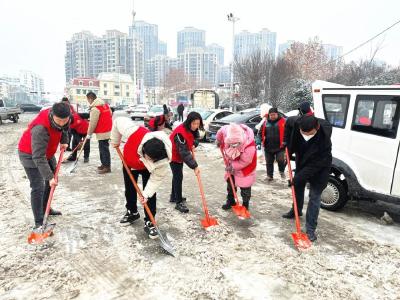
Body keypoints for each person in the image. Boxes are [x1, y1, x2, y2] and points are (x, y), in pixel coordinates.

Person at [111, 117, 172, 239]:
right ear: (143, 148)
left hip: (147, 170)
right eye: (147, 157)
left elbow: (155, 180)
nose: (147, 160)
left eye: (151, 159)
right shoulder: (134, 131)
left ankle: (150, 221)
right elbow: (118, 121)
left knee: (150, 195)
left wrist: (146, 194)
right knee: (130, 189)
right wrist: (115, 141)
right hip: (128, 163)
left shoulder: (163, 162)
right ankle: (132, 212)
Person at [18, 103, 71, 231]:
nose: (62, 123)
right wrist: (49, 176)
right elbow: (38, 157)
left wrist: (64, 140)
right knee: (38, 187)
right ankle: (39, 221)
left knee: (50, 183)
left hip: (47, 153)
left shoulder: (64, 118)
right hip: (30, 155)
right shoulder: (40, 129)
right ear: (52, 116)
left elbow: (64, 128)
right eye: (59, 121)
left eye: (65, 120)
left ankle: (45, 207)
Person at [282, 115, 332, 242]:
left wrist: (297, 178)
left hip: (320, 168)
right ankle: (296, 211)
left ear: (317, 128)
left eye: (309, 134)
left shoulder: (324, 139)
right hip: (302, 161)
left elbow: (315, 165)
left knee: (314, 197)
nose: (305, 136)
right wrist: (286, 142)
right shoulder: (296, 122)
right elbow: (287, 124)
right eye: (303, 133)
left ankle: (310, 229)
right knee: (297, 187)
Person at [216, 123, 257, 210]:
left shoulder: (249, 145)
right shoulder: (228, 132)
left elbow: (246, 161)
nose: (233, 146)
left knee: (245, 186)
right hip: (232, 164)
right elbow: (221, 130)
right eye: (231, 144)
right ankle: (230, 201)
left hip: (246, 168)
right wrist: (219, 140)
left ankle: (245, 205)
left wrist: (233, 166)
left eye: (235, 144)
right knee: (230, 183)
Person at [169, 111, 202, 213]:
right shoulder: (180, 133)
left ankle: (174, 196)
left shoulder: (192, 129)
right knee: (178, 177)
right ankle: (178, 202)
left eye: (198, 123)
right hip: (173, 155)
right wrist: (195, 166)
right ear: (189, 122)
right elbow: (184, 153)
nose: (196, 126)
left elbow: (196, 137)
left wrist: (194, 143)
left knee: (176, 176)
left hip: (179, 155)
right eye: (194, 123)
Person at [86, 92, 112, 174]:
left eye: (88, 100)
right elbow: (110, 114)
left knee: (104, 149)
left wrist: (89, 134)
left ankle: (107, 167)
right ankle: (104, 164)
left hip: (102, 131)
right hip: (108, 129)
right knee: (103, 148)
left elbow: (92, 123)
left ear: (90, 99)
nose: (88, 101)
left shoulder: (95, 109)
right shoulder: (105, 105)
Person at [258, 107, 286, 181]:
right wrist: (259, 141)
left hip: (280, 146)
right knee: (269, 162)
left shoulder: (283, 122)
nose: (272, 116)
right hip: (268, 146)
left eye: (274, 114)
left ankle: (281, 171)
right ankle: (269, 176)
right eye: (271, 115)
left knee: (280, 160)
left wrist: (286, 141)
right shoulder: (265, 123)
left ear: (277, 114)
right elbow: (260, 133)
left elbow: (288, 133)